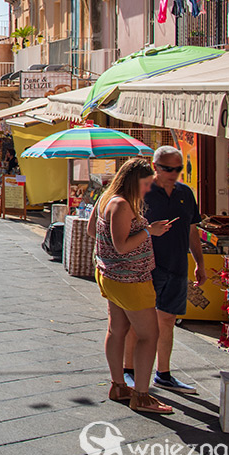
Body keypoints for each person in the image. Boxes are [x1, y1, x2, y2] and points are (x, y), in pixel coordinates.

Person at [93, 157, 174, 414]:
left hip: (111, 276)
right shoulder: (121, 205)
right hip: (130, 280)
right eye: (146, 183)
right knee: (149, 336)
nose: (148, 189)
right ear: (134, 181)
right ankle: (141, 394)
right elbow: (122, 246)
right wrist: (150, 231)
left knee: (117, 330)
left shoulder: (106, 197)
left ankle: (118, 386)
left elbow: (91, 232)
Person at [122, 146, 204, 394]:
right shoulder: (142, 192)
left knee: (167, 320)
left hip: (177, 265)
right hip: (146, 266)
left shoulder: (185, 193)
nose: (174, 173)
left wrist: (199, 262)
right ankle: (129, 371)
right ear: (155, 167)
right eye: (168, 168)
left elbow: (192, 230)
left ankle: (164, 374)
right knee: (139, 322)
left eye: (178, 169)